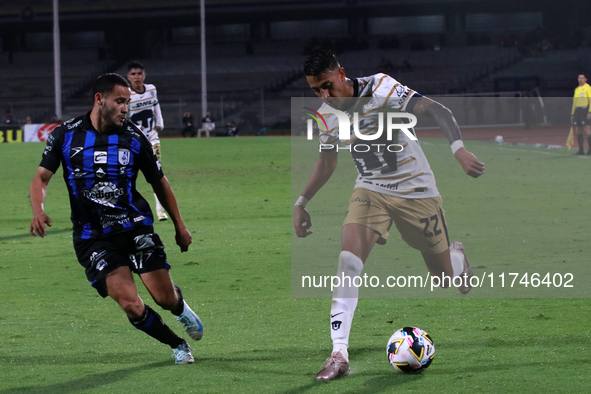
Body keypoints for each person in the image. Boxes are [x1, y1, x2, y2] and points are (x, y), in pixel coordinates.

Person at [293, 50, 485, 381]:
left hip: (417, 191)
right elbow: (327, 161)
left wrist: (459, 150)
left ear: (342, 73)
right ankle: (339, 353)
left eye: (327, 86)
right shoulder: (326, 114)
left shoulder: (381, 87)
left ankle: (456, 257)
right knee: (348, 261)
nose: (324, 96)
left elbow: (437, 110)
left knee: (443, 278)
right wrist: (301, 201)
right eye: (315, 90)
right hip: (370, 190)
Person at [29, 73, 203, 365]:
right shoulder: (65, 134)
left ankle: (179, 306)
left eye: (128, 102)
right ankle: (178, 345)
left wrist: (180, 226)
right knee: (132, 306)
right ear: (100, 99)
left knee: (163, 298)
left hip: (134, 227)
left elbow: (160, 183)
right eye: (120, 101)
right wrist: (38, 209)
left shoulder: (134, 138)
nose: (125, 108)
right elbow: (41, 177)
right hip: (93, 238)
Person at [126, 61, 168, 220]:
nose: (137, 77)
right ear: (128, 77)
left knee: (157, 173)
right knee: (130, 175)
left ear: (144, 75)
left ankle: (160, 209)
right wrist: (135, 129)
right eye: (133, 74)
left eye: (139, 73)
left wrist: (160, 122)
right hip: (134, 142)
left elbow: (155, 105)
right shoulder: (127, 96)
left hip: (152, 139)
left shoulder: (151, 89)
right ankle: (131, 210)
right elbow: (124, 118)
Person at [571, 73, 591, 155]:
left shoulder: (588, 88)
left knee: (587, 129)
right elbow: (574, 103)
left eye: (582, 78)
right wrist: (572, 114)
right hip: (577, 111)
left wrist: (590, 112)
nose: (581, 79)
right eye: (579, 78)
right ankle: (581, 150)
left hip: (585, 110)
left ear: (585, 79)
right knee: (578, 130)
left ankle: (590, 150)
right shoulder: (577, 89)